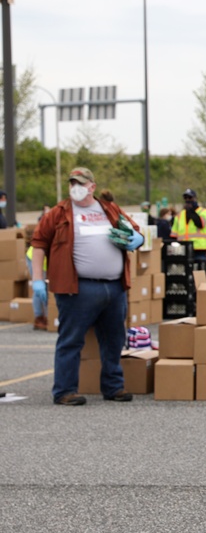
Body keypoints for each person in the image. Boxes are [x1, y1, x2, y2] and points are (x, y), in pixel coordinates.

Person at [30, 167, 145, 406]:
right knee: (71, 340)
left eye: (81, 183)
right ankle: (64, 390)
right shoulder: (58, 213)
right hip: (77, 288)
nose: (76, 187)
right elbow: (39, 244)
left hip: (114, 287)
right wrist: (37, 279)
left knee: (114, 339)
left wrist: (138, 238)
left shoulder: (109, 209)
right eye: (73, 182)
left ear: (92, 186)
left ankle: (113, 387)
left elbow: (134, 229)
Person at [171, 188, 206, 266]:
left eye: (190, 198)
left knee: (199, 275)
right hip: (183, 250)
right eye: (186, 198)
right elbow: (173, 235)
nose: (188, 200)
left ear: (195, 198)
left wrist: (191, 211)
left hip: (199, 249)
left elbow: (201, 224)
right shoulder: (179, 215)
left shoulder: (204, 212)